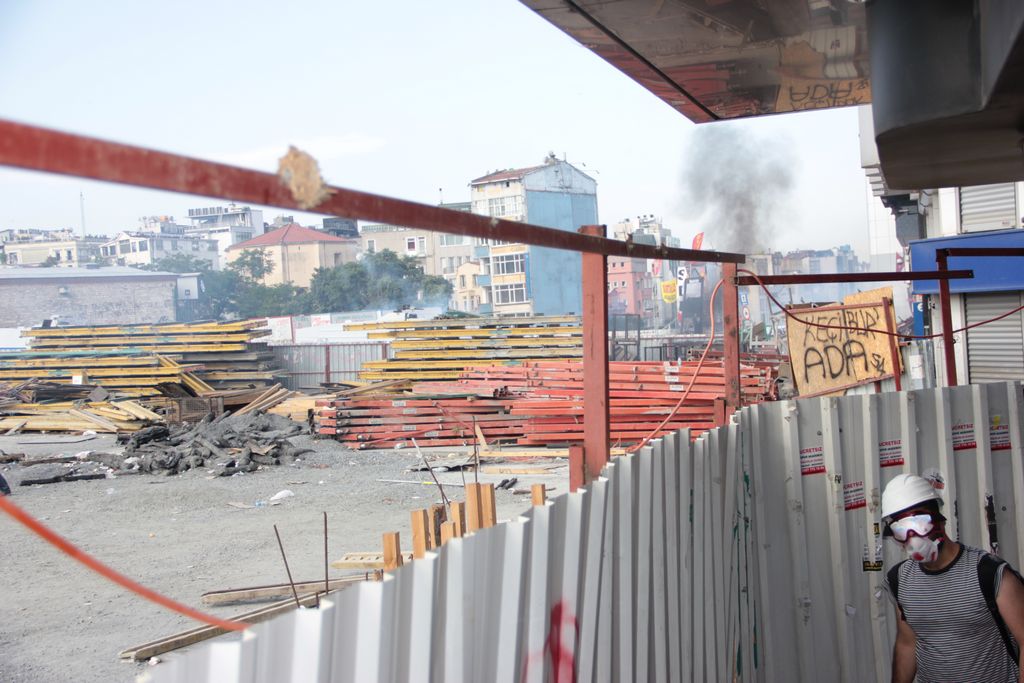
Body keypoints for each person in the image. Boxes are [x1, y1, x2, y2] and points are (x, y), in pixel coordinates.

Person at [883, 473, 1024, 683]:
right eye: (900, 529)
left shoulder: (989, 573)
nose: (911, 536)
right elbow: (907, 643)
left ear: (938, 518)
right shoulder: (900, 580)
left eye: (919, 522)